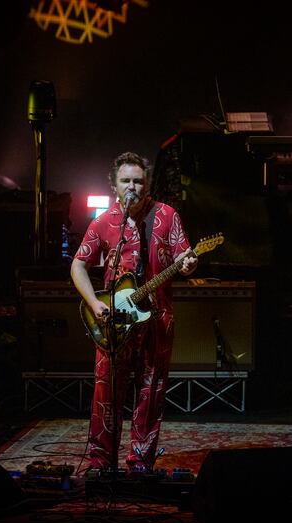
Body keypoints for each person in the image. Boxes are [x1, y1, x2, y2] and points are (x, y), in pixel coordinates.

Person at [70, 151, 198, 474]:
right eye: (125, 181)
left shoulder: (167, 216)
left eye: (138, 181)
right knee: (106, 390)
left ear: (147, 183)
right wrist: (94, 303)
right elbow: (78, 265)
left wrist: (188, 264)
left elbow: (184, 259)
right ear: (114, 186)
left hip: (157, 321)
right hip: (114, 321)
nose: (132, 187)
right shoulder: (104, 222)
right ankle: (102, 462)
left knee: (151, 390)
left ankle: (140, 461)